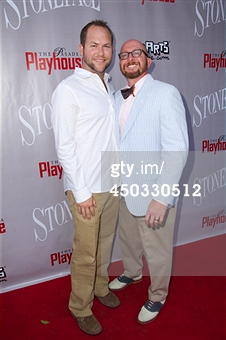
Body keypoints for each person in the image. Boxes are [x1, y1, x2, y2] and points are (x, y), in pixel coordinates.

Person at [109, 39, 188, 324]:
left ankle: (157, 295)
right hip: (124, 189)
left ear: (149, 59)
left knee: (156, 249)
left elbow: (177, 148)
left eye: (137, 53)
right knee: (128, 240)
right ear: (120, 61)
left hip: (154, 192)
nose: (130, 58)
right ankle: (132, 271)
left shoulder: (166, 93)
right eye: (124, 54)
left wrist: (162, 197)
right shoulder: (116, 97)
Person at [51, 20, 120, 336]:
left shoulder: (109, 86)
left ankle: (100, 285)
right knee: (86, 252)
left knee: (104, 246)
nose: (101, 51)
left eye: (106, 45)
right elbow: (64, 146)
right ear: (81, 50)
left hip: (112, 183)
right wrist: (80, 192)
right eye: (94, 45)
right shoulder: (69, 89)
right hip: (87, 189)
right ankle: (80, 306)